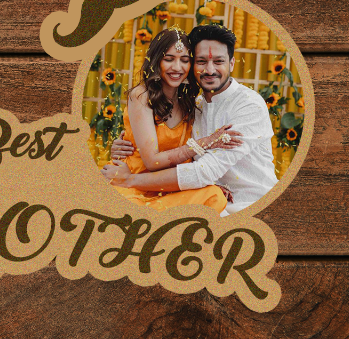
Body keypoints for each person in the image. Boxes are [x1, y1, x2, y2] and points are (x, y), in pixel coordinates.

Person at [103, 23, 278, 215]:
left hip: (250, 204)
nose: (210, 70)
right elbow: (168, 150)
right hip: (201, 197)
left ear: (232, 63)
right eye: (201, 61)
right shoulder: (196, 103)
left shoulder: (248, 105)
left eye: (218, 61)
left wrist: (130, 180)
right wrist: (127, 142)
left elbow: (204, 170)